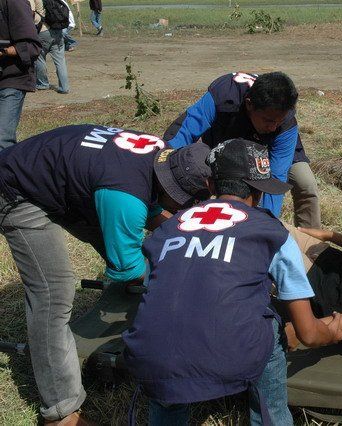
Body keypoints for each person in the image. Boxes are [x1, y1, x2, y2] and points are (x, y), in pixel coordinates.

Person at [0, 124, 212, 424]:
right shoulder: (124, 195)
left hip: (74, 180)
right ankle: (61, 412)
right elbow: (128, 269)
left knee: (138, 243)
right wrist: (175, 283)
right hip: (17, 187)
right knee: (53, 293)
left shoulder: (160, 155)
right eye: (186, 203)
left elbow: (154, 205)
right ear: (173, 190)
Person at [123, 138, 342, 425]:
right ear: (260, 192)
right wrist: (334, 330)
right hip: (230, 355)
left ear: (210, 185)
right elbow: (309, 334)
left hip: (150, 355)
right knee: (272, 325)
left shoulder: (166, 229)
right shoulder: (271, 232)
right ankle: (270, 418)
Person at [163, 71, 321, 226]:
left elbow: (277, 176)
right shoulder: (223, 94)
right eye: (268, 120)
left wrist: (263, 226)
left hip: (270, 148)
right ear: (249, 104)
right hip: (226, 144)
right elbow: (183, 133)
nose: (273, 127)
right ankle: (187, 225)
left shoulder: (285, 123)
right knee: (194, 172)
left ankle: (312, 246)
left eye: (278, 121)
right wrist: (165, 173)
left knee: (306, 183)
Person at [0, 0, 41, 149]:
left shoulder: (13, 2)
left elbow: (33, 47)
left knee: (2, 139)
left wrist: (4, 51)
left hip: (11, 80)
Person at [33, 0, 70, 94]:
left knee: (39, 58)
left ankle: (43, 84)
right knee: (60, 61)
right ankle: (64, 87)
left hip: (43, 31)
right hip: (58, 30)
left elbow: (32, 12)